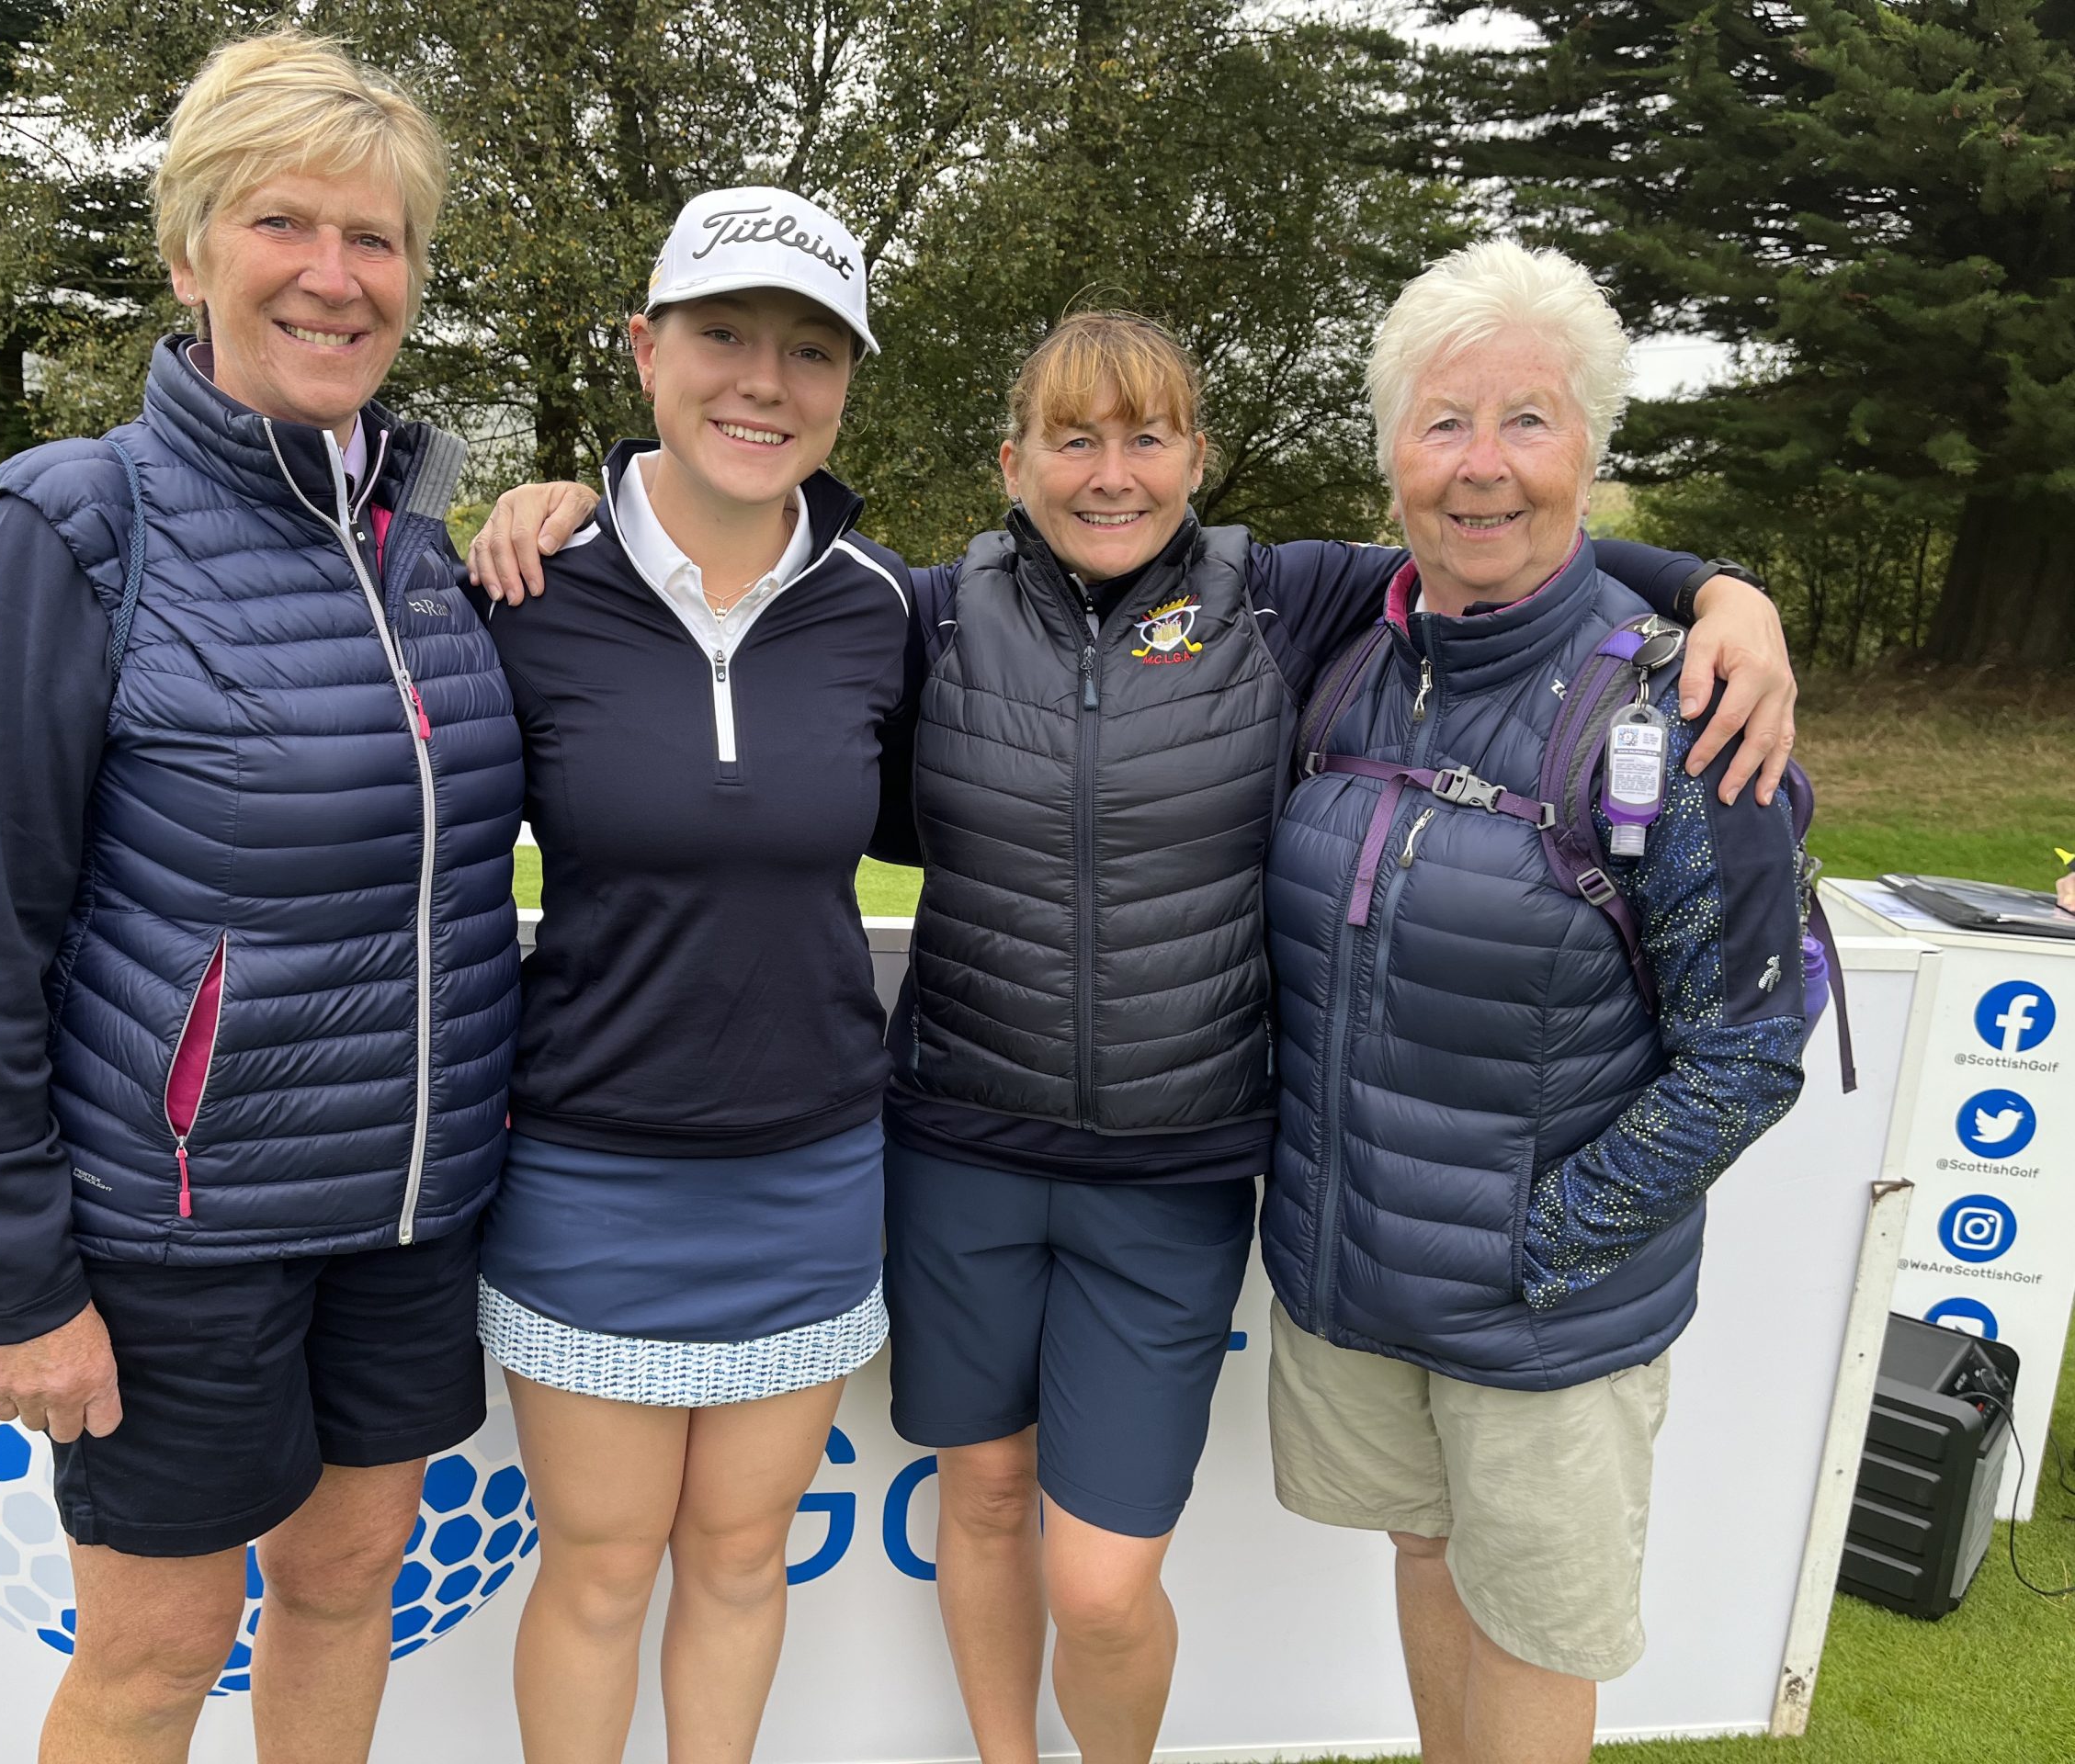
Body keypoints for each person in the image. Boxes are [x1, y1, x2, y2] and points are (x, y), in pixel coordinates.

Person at [473, 312, 1796, 1762]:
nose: (1111, 473)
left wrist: (1724, 592)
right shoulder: (929, 613)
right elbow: (746, 592)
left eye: (1147, 437)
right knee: (983, 1501)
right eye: (1074, 439)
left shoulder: (1284, 598)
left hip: (1172, 1170)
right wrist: (575, 502)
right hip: (960, 1149)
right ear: (1013, 463)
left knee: (1102, 1588)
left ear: (1196, 458)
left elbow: (1498, 542)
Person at [0, 33, 519, 1764]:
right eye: (282, 223)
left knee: (348, 1584)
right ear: (190, 255)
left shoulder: (423, 550)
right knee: (158, 1653)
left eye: (376, 238)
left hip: (407, 1213)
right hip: (177, 1229)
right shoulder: (74, 522)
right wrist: (21, 1280)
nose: (333, 274)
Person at [1260, 240, 1811, 1764]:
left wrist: (1538, 1243)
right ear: (1392, 453)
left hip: (1544, 1313)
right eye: (1443, 422)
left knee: (1533, 1631)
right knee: (1427, 1554)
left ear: (1590, 448)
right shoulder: (1342, 658)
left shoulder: (1685, 709)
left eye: (1528, 421)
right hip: (1360, 1280)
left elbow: (1752, 1051)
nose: (1482, 465)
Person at [471, 187, 916, 1762]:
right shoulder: (523, 594)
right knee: (600, 1569)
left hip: (809, 1168)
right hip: (590, 1170)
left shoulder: (884, 609)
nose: (763, 382)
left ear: (844, 383)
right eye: (723, 334)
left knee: (739, 1557)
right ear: (646, 350)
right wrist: (533, 502)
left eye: (810, 350)